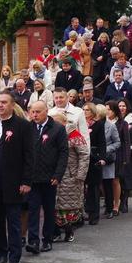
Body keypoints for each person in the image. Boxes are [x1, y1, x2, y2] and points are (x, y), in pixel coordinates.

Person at [0, 91, 34, 263]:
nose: (0, 105)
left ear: (12, 105)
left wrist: (26, 181)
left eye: (4, 102)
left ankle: (14, 256)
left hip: (14, 181)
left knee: (13, 221)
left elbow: (29, 155)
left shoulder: (23, 126)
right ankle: (0, 251)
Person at [25, 101, 68, 254]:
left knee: (49, 210)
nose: (34, 115)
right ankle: (33, 241)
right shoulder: (28, 128)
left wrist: (58, 174)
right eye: (32, 112)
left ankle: (47, 239)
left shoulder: (57, 128)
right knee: (33, 209)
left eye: (38, 112)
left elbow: (63, 153)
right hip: (32, 177)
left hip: (50, 177)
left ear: (46, 111)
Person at [50, 111, 89, 242]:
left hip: (71, 175)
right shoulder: (52, 134)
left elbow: (84, 155)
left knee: (67, 206)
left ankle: (68, 230)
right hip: (55, 173)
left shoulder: (74, 135)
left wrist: (80, 174)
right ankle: (55, 231)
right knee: (54, 205)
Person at [103, 101, 131, 219]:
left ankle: (116, 204)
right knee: (104, 181)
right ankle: (108, 202)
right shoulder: (103, 123)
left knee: (115, 180)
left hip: (118, 155)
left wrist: (126, 157)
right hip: (105, 155)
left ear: (114, 111)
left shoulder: (122, 123)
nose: (107, 111)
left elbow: (125, 141)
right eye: (106, 109)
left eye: (109, 109)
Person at [82, 102, 106, 225]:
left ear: (92, 112)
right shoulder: (80, 124)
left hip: (94, 157)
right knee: (83, 188)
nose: (85, 112)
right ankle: (84, 211)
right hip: (82, 157)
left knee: (94, 188)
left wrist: (102, 157)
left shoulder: (98, 125)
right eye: (83, 109)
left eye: (87, 110)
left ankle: (94, 215)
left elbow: (102, 142)